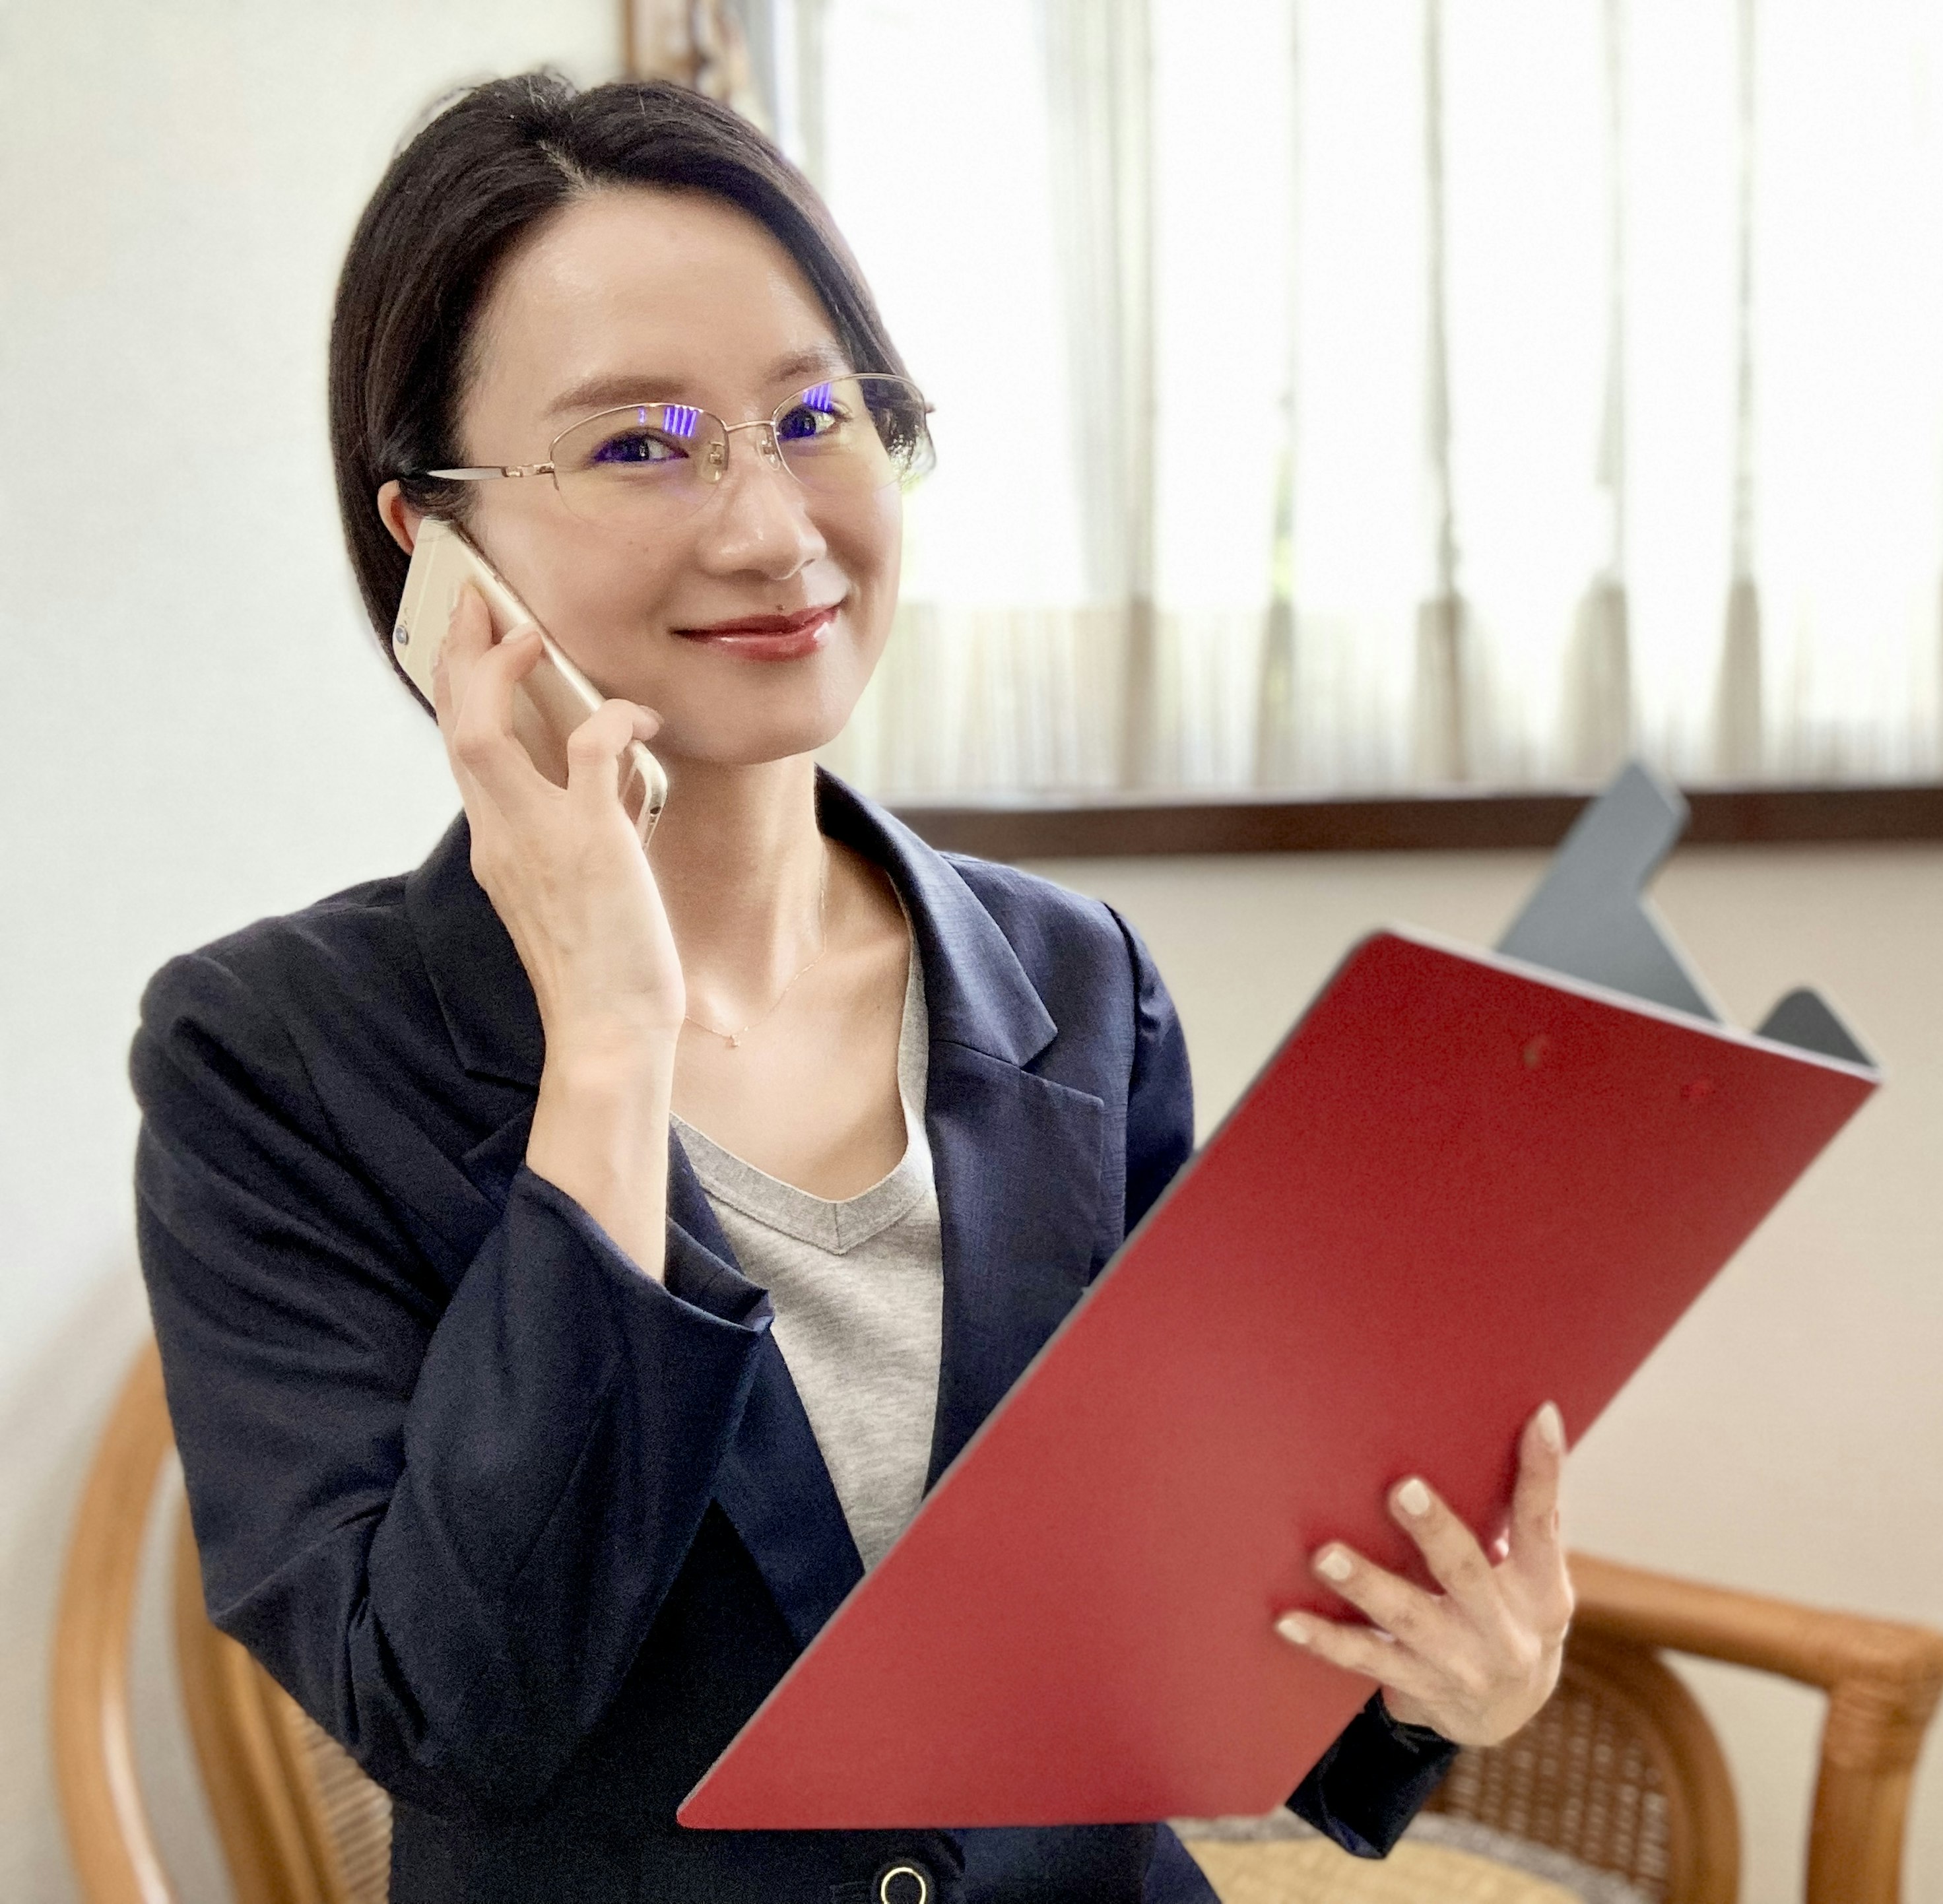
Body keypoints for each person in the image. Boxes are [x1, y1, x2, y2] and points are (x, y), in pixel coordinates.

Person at [130, 72, 1573, 1904]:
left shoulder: (1074, 985)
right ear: (437, 544)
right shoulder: (271, 1062)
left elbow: (1188, 1593)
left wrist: (1454, 1669)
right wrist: (611, 1046)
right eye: (642, 445)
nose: (770, 528)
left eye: (816, 416)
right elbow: (451, 1708)